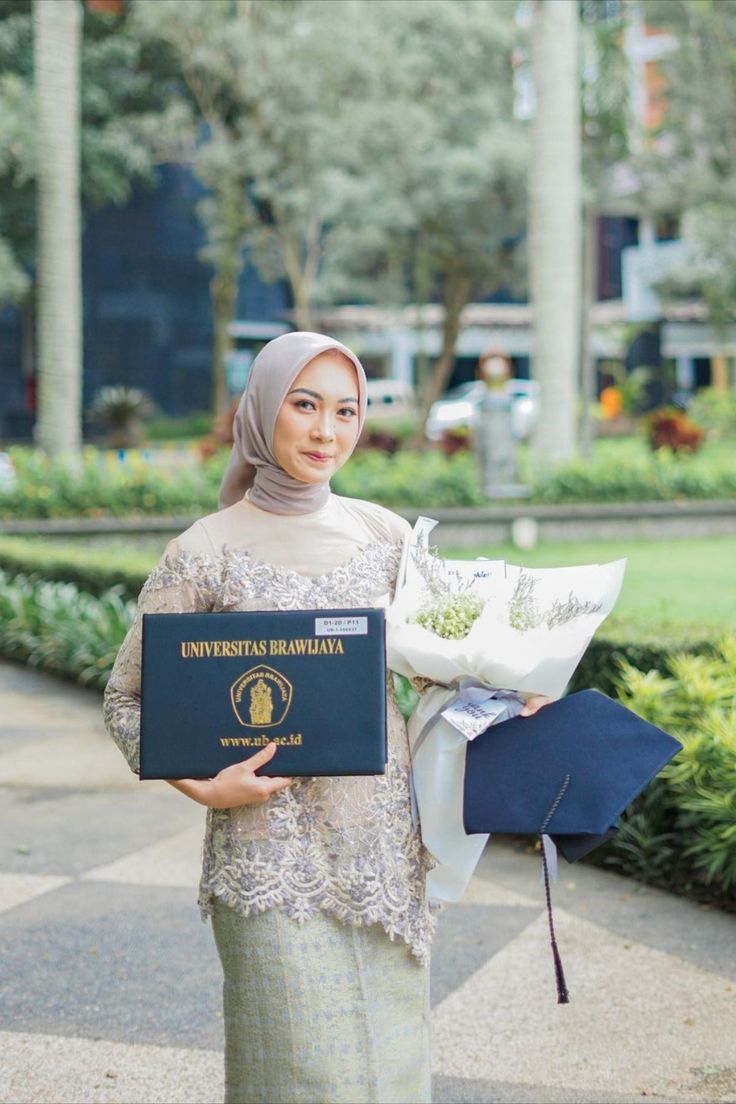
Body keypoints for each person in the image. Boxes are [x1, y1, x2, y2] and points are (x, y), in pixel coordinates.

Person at [103, 331, 549, 1104]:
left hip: (383, 851)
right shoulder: (200, 552)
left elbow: (450, 658)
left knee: (390, 1068)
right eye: (304, 406)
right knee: (298, 1073)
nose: (325, 431)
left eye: (345, 410)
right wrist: (201, 788)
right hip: (267, 856)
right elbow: (126, 698)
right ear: (261, 410)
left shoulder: (386, 537)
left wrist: (515, 685)